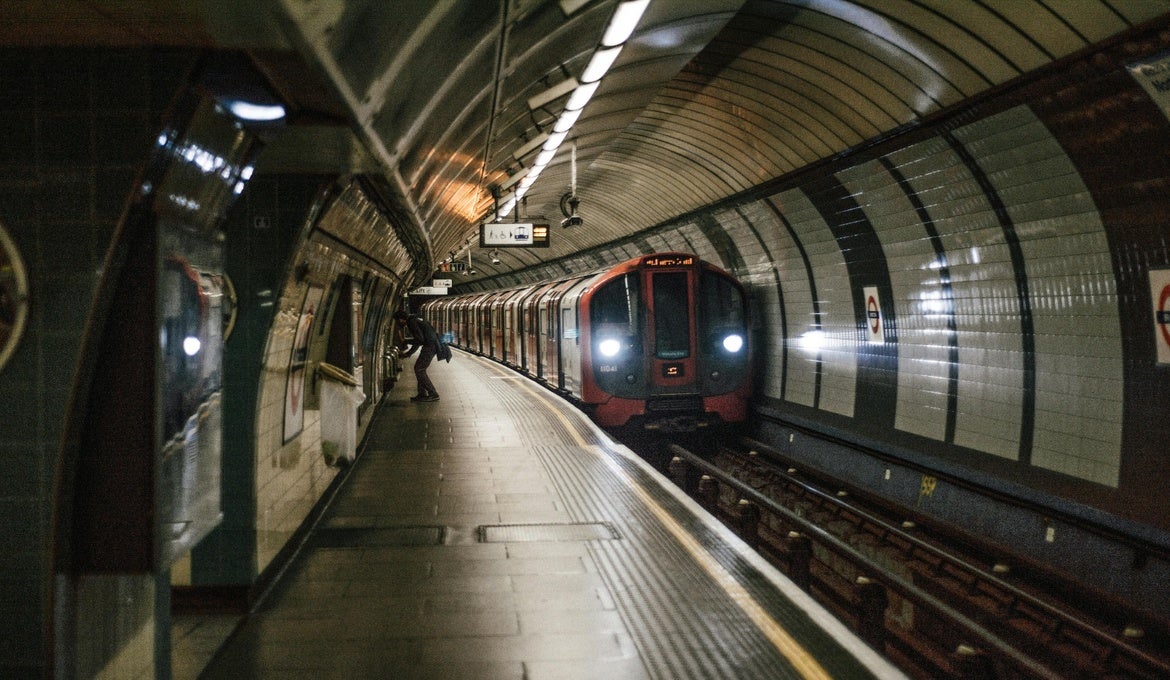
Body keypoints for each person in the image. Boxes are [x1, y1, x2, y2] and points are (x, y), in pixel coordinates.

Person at [394, 309, 444, 402]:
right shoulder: (415, 318)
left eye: (397, 321)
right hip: (431, 345)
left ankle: (433, 394)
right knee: (420, 369)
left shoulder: (411, 322)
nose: (397, 324)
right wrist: (409, 353)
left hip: (430, 347)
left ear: (401, 319)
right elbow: (419, 340)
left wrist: (406, 342)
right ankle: (422, 394)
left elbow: (419, 340)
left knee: (419, 369)